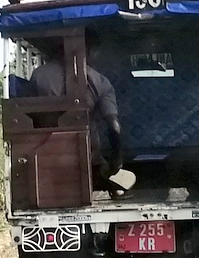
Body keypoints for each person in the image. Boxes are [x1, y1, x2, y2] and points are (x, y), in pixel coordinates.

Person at [29, 31, 127, 197]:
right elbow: (114, 126)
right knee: (116, 183)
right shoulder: (100, 81)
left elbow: (31, 118)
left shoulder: (39, 76)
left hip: (46, 157)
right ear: (89, 51)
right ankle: (115, 190)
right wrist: (116, 159)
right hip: (88, 158)